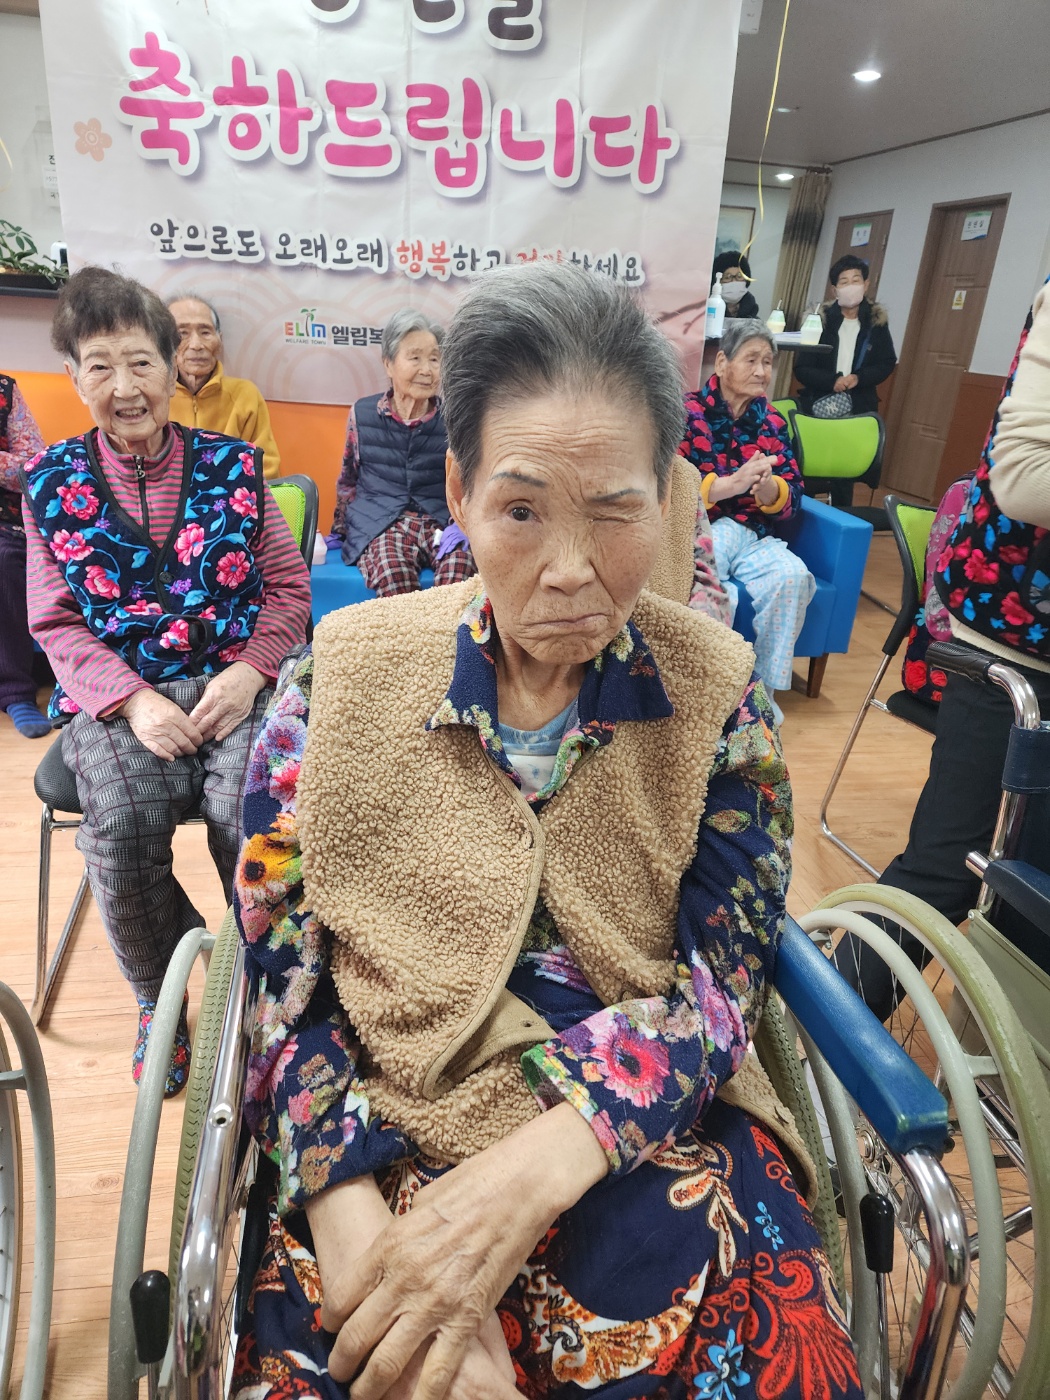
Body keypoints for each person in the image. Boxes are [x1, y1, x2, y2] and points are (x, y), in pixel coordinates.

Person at [232, 263, 863, 1400]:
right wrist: (344, 1206)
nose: (571, 571)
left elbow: (726, 988)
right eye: (521, 510)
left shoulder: (719, 692)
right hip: (375, 1105)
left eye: (614, 513)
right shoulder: (340, 675)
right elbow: (281, 973)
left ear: (665, 497)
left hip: (645, 1121)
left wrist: (537, 1166)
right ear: (461, 489)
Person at [21, 267, 311, 1094]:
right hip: (120, 701)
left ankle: (267, 987)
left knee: (251, 822)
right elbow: (56, 622)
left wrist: (250, 674)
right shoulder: (50, 485)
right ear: (74, 377)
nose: (125, 387)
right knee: (119, 828)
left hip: (235, 688)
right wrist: (133, 699)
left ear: (171, 364)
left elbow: (289, 591)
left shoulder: (235, 468)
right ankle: (162, 993)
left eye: (141, 362)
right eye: (101, 366)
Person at [839, 279, 1050, 1021]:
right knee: (950, 864)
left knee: (1033, 895)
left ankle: (994, 1053)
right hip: (1016, 633)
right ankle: (818, 1046)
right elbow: (1022, 476)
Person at [679, 317, 815, 723]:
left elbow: (794, 497)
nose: (761, 371)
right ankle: (710, 692)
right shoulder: (686, 412)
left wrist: (769, 490)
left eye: (768, 362)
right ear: (722, 363)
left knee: (792, 577)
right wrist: (729, 485)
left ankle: (763, 695)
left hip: (755, 535)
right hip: (701, 532)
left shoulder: (772, 422)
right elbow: (667, 484)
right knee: (714, 585)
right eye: (751, 359)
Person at [330, 308, 475, 594]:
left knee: (460, 571)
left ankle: (446, 628)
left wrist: (465, 523)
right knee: (392, 572)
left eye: (434, 359)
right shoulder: (363, 413)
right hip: (381, 523)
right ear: (389, 364)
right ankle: (405, 628)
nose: (427, 370)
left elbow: (469, 482)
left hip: (440, 521)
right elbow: (349, 478)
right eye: (415, 358)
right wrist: (340, 531)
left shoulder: (454, 418)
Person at [167, 293, 282, 480]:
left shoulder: (245, 395)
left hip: (231, 496)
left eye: (205, 332)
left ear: (219, 341)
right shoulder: (153, 398)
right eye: (182, 334)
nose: (196, 345)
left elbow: (266, 468)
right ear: (164, 343)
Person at [0, 374, 49, 737]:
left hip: (6, 520)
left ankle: (15, 691)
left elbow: (32, 467)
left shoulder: (4, 391)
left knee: (3, 557)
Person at [794, 254, 896, 423]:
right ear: (834, 290)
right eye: (844, 282)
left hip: (861, 406)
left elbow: (887, 362)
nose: (851, 287)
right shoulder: (819, 321)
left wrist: (859, 378)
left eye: (856, 281)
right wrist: (832, 381)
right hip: (820, 404)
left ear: (865, 285)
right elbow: (802, 368)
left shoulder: (876, 321)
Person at [712, 249, 759, 319]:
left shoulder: (753, 316)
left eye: (739, 276)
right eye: (728, 277)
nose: (734, 281)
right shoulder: (706, 311)